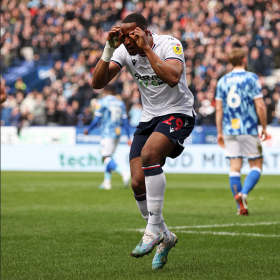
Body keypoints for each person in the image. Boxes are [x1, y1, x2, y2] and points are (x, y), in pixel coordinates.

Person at [91, 13, 195, 270]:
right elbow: (97, 83)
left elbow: (172, 78)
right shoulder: (123, 50)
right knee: (137, 181)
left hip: (178, 111)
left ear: (145, 32)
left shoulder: (169, 44)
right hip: (149, 118)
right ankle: (165, 237)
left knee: (149, 155)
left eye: (131, 36)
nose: (126, 41)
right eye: (123, 36)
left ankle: (151, 231)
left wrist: (146, 48)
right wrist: (108, 48)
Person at [215, 48, 267, 216]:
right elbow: (259, 105)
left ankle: (240, 206)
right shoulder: (252, 78)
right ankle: (243, 194)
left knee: (235, 167)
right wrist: (264, 127)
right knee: (256, 164)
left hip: (229, 128)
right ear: (244, 59)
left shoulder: (222, 81)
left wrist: (219, 132)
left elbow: (218, 110)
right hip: (248, 128)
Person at [84, 85, 131, 190]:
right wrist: (128, 137)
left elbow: (97, 119)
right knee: (109, 157)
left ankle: (123, 172)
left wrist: (88, 129)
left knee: (105, 157)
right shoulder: (121, 103)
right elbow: (126, 122)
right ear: (114, 92)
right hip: (118, 134)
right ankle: (107, 182)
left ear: (105, 92)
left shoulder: (102, 102)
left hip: (107, 133)